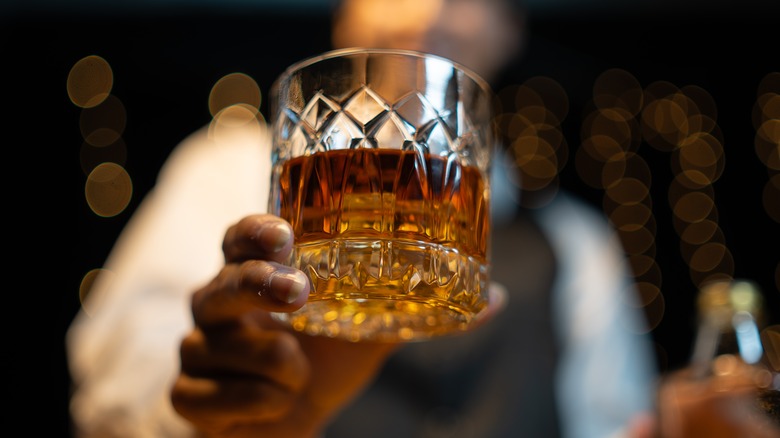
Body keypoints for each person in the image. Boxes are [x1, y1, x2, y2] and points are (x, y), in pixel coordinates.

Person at [66, 0, 660, 437]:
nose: (425, 15)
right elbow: (118, 383)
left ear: (510, 30)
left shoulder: (576, 240)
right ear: (344, 13)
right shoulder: (227, 165)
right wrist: (210, 415)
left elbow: (608, 420)